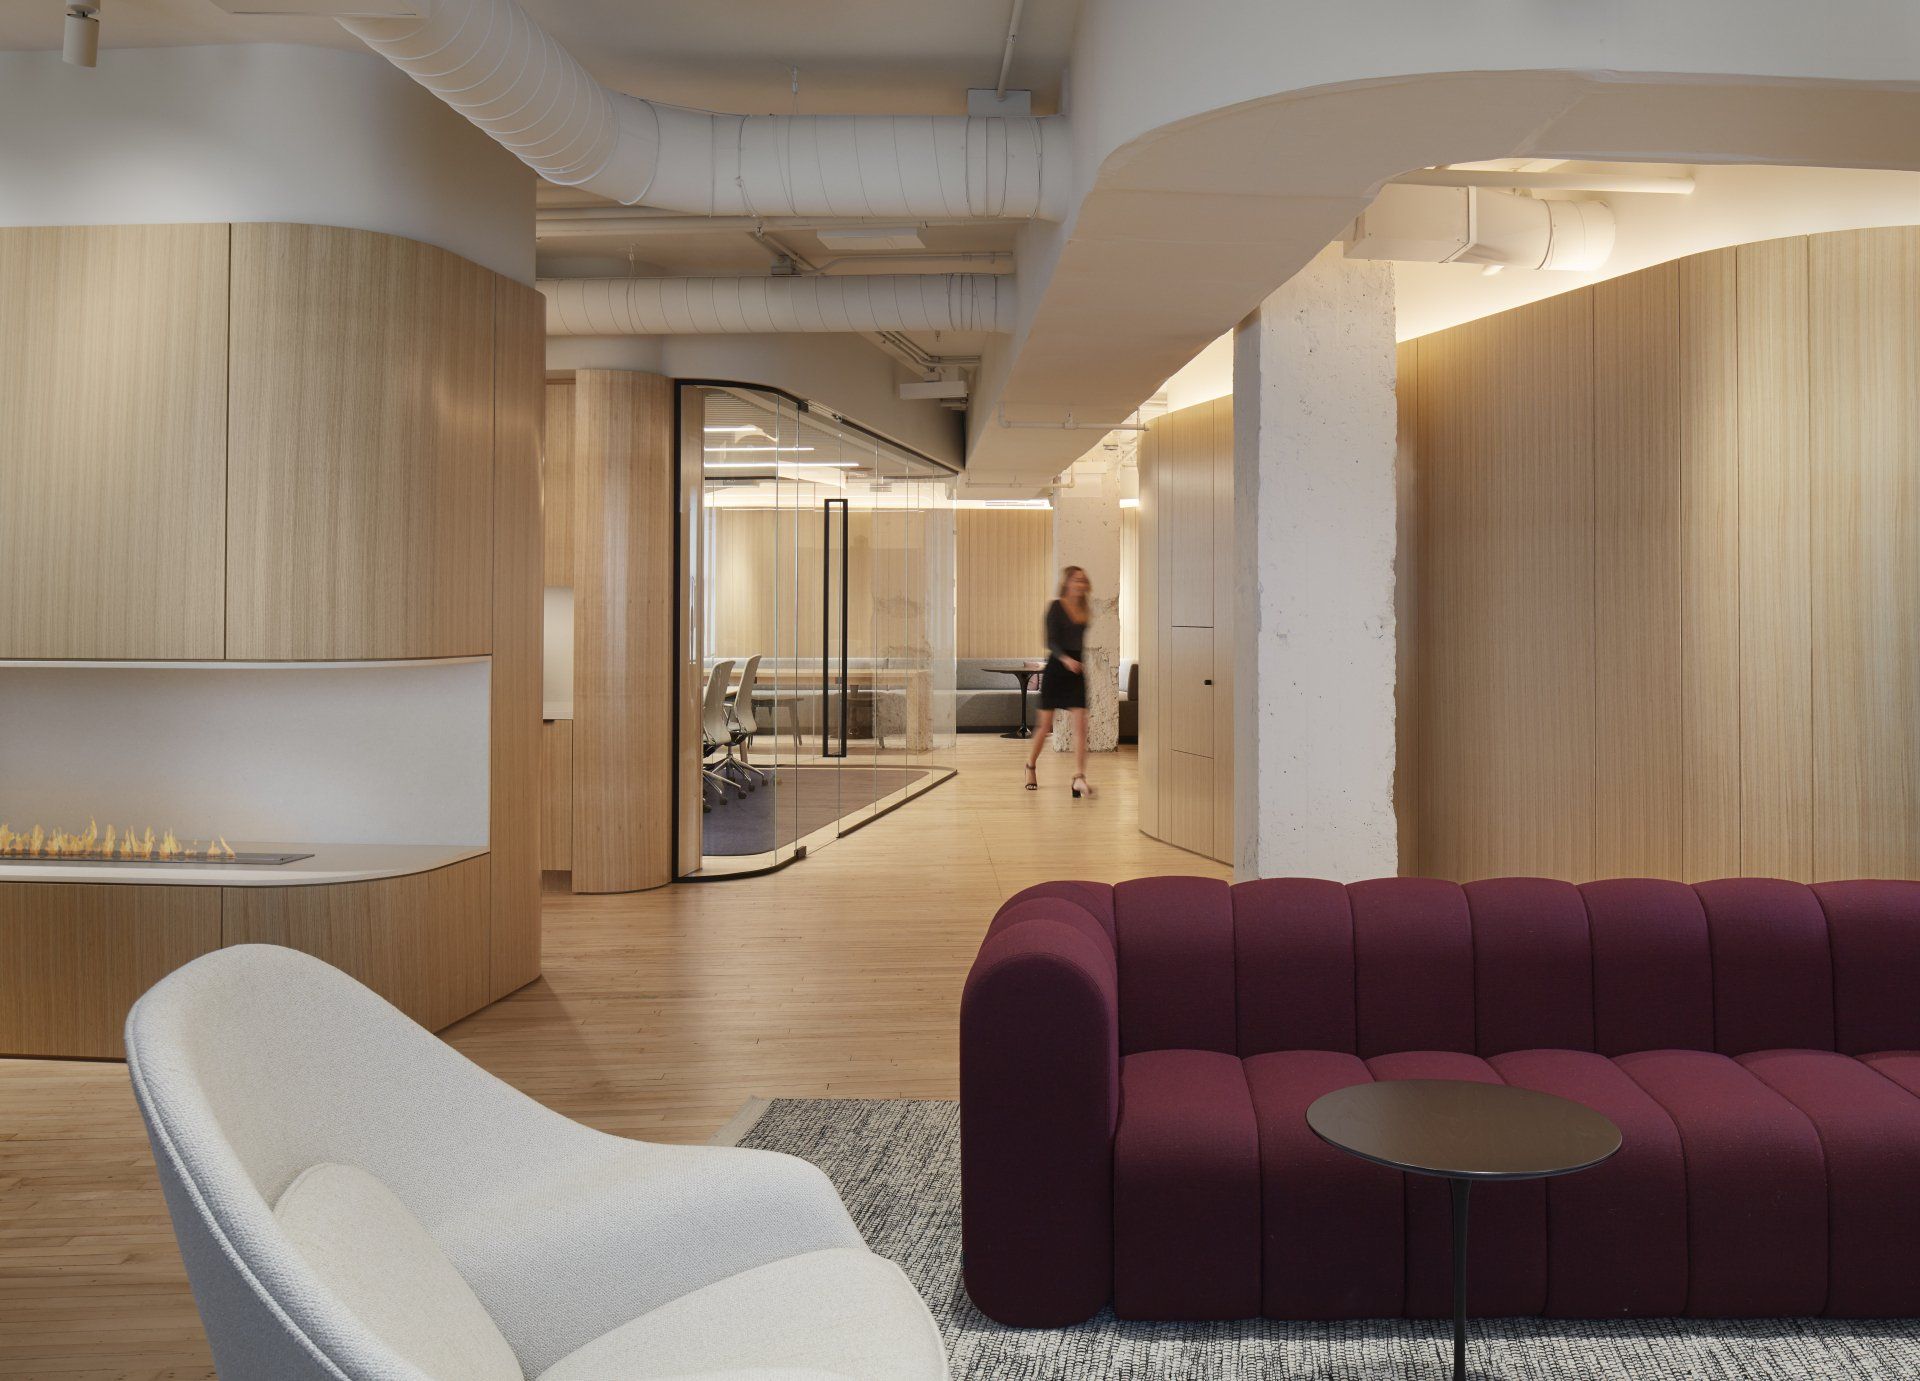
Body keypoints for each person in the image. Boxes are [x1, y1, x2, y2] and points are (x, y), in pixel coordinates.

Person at [1025, 565, 1096, 798]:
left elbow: (1078, 644)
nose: (1080, 584)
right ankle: (1030, 766)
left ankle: (1079, 778)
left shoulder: (1085, 610)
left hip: (1076, 672)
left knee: (1081, 726)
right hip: (1057, 669)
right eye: (1076, 580)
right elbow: (1052, 642)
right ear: (1067, 583)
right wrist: (1066, 660)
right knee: (1045, 726)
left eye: (1083, 581)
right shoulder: (1055, 607)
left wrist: (1075, 663)